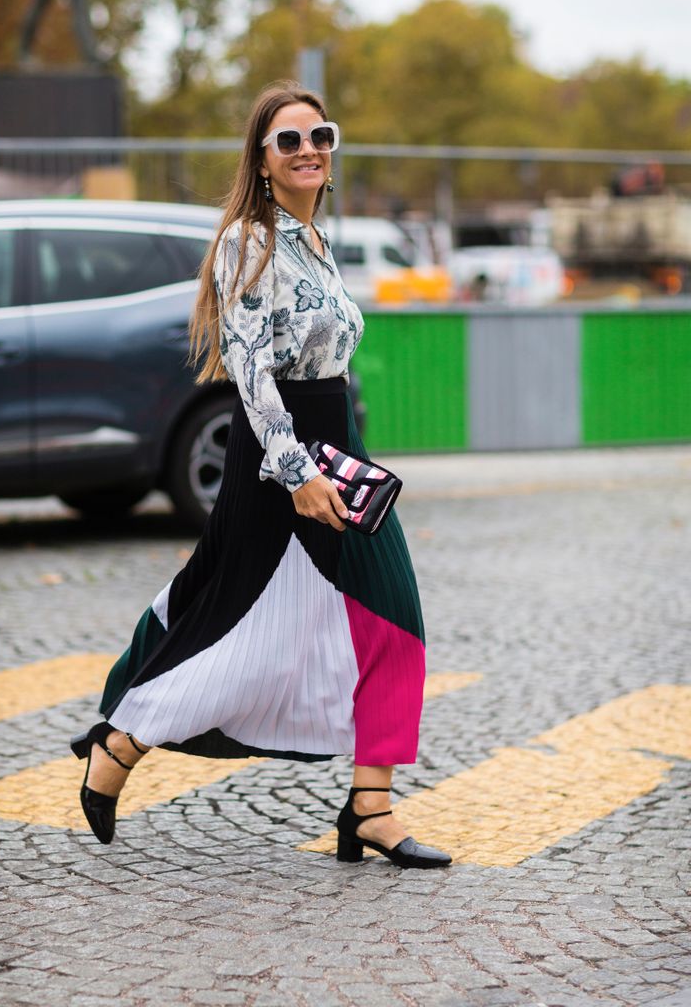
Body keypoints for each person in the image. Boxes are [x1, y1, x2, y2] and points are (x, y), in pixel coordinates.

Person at [71, 81, 452, 870]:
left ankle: (370, 811)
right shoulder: (249, 241)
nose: (309, 148)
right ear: (263, 159)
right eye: (290, 140)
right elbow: (248, 368)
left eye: (321, 134)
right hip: (278, 461)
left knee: (395, 626)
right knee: (224, 622)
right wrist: (294, 471)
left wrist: (333, 459)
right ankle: (119, 746)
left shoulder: (317, 240)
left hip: (334, 450)